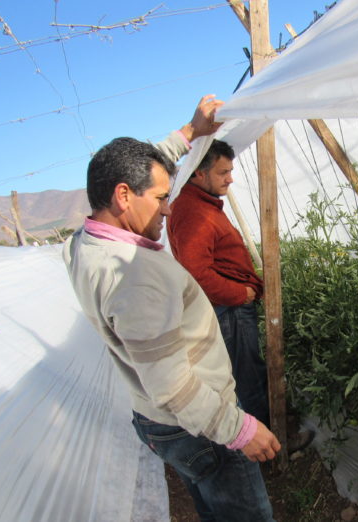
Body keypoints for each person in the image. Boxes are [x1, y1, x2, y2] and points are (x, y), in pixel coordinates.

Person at [62, 96, 280, 522]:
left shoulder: (82, 243)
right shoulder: (135, 276)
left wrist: (190, 133)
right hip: (196, 423)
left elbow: (147, 169)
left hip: (158, 421)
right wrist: (239, 429)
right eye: (161, 197)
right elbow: (172, 386)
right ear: (124, 195)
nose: (167, 205)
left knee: (211, 505)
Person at [167, 139, 315, 453]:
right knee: (247, 379)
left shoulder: (201, 204)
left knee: (249, 371)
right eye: (223, 172)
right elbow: (197, 273)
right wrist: (241, 294)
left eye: (230, 171)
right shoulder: (193, 211)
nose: (230, 178)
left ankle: (271, 435)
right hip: (228, 310)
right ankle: (273, 447)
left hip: (229, 308)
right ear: (198, 174)